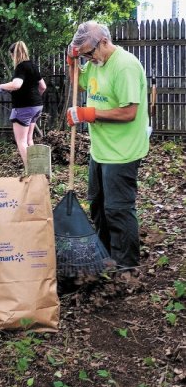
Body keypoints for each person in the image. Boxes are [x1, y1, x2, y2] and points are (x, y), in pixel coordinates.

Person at [66, 21, 149, 273]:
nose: (88, 59)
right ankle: (106, 255)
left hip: (122, 151)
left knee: (118, 209)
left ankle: (126, 266)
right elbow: (78, 83)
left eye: (90, 53)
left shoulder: (124, 66)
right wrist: (72, 63)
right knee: (98, 205)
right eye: (84, 55)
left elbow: (129, 113)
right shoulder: (95, 63)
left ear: (104, 42)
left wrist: (89, 113)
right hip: (100, 150)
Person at [0, 41, 46, 166]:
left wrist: (2, 86)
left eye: (11, 56)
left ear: (14, 54)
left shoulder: (20, 67)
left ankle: (31, 172)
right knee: (29, 139)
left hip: (24, 108)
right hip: (37, 106)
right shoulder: (33, 66)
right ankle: (38, 168)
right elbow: (43, 87)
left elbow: (16, 85)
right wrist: (34, 99)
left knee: (21, 141)